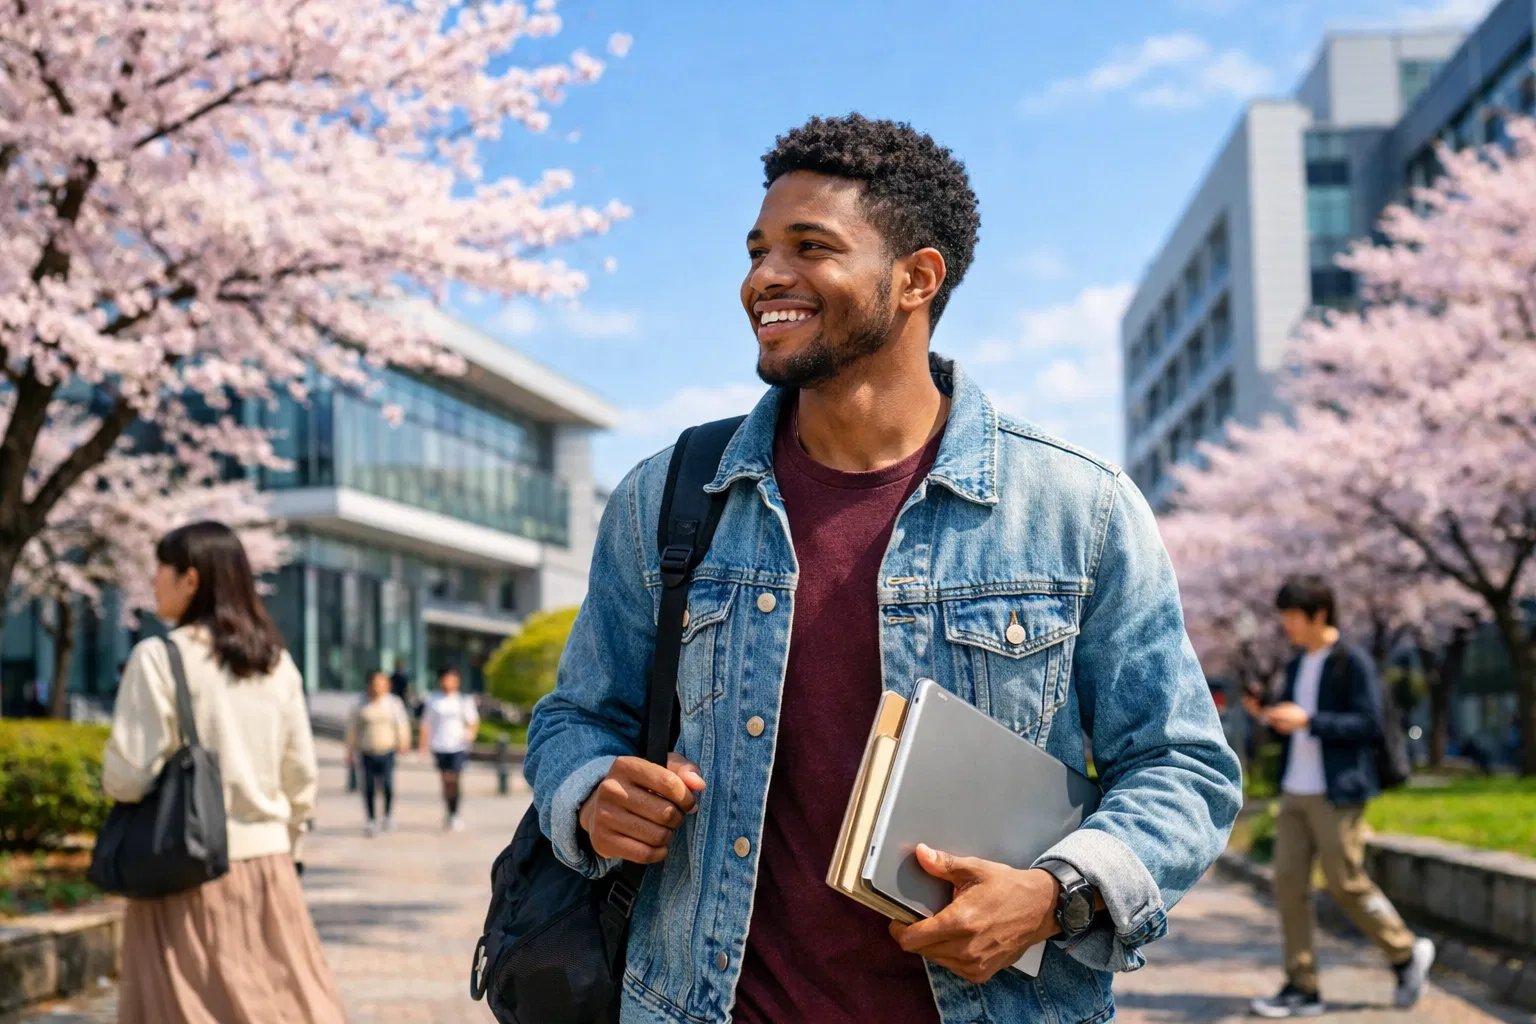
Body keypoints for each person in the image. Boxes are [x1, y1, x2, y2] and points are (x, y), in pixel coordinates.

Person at [524, 114, 1242, 1024]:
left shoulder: (1079, 508)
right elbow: (576, 718)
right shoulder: (667, 496)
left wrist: (1056, 893)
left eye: (809, 246)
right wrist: (590, 794)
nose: (763, 278)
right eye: (756, 250)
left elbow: (1182, 766)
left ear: (917, 278)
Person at [102, 521, 344, 1024]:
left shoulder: (158, 658)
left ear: (190, 579)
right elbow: (301, 775)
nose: (152, 581)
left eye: (160, 569)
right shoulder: (276, 663)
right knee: (281, 1006)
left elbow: (126, 777)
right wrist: (289, 845)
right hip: (269, 868)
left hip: (183, 870)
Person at [1245, 575, 1435, 1017]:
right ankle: (1302, 985)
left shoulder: (1353, 662)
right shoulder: (1296, 665)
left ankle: (1405, 953)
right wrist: (1273, 715)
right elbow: (1298, 720)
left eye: (1292, 617)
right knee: (1288, 886)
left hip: (1337, 792)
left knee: (1345, 882)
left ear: (1319, 614)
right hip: (1294, 791)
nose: (1287, 626)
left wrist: (1309, 720)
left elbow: (1368, 724)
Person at [345, 670, 413, 836]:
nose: (378, 687)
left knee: (388, 785)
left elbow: (402, 724)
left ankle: (387, 816)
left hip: (387, 750)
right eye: (375, 683)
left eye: (382, 683)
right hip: (367, 751)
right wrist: (350, 750)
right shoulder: (361, 703)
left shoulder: (393, 703)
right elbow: (352, 729)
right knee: (368, 787)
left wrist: (404, 741)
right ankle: (371, 819)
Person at [418, 666, 478, 831]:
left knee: (454, 779)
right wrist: (423, 745)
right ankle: (449, 810)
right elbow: (426, 723)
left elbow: (473, 721)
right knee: (445, 780)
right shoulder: (433, 699)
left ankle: (455, 813)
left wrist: (470, 735)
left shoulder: (463, 700)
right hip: (439, 744)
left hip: (457, 745)